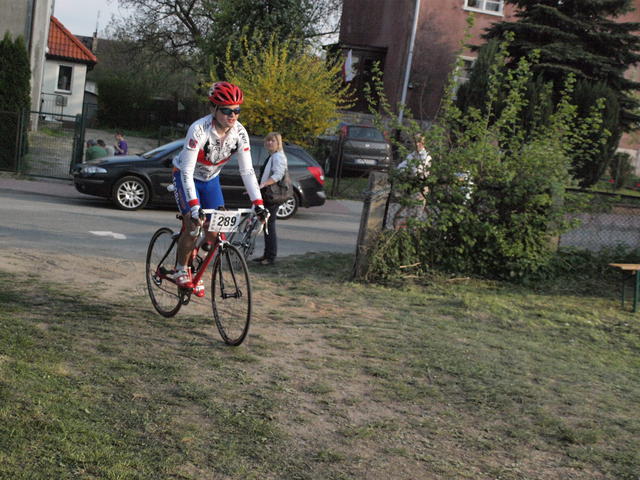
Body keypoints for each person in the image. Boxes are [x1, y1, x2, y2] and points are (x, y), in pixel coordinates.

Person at [170, 81, 268, 294]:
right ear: (213, 109)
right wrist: (194, 207)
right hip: (186, 176)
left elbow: (247, 171)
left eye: (237, 110)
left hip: (211, 180)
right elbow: (187, 171)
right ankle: (180, 269)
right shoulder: (199, 129)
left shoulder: (240, 133)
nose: (232, 115)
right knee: (193, 225)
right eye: (226, 110)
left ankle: (195, 261)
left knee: (215, 233)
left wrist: (258, 203)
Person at [254, 132, 288, 266]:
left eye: (272, 141)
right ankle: (267, 254)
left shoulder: (278, 156)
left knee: (269, 225)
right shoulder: (273, 156)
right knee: (266, 225)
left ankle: (270, 256)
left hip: (272, 196)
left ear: (278, 143)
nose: (269, 143)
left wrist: (263, 184)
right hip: (267, 194)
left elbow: (278, 175)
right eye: (267, 140)